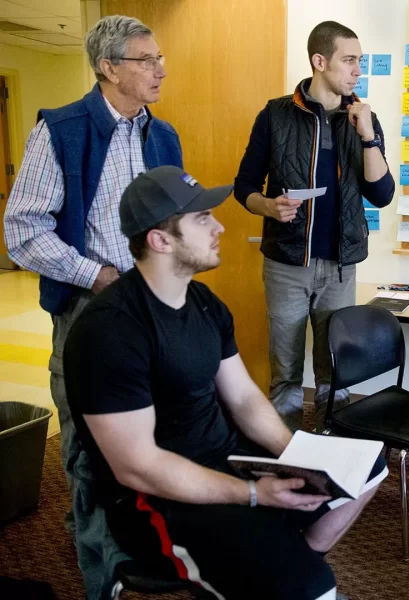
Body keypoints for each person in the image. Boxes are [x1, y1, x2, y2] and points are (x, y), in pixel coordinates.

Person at [64, 166, 386, 600]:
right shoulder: (110, 331)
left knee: (366, 467)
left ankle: (285, 571)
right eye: (201, 220)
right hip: (159, 500)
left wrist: (299, 456)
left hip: (227, 459)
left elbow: (245, 399)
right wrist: (253, 494)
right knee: (312, 585)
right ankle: (295, 580)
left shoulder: (203, 302)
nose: (218, 227)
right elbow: (137, 466)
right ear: (160, 240)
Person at [2, 15, 181, 598]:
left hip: (153, 308)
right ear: (108, 68)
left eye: (159, 58)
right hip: (88, 312)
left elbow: (174, 213)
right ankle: (102, 578)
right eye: (145, 59)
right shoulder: (61, 131)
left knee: (150, 432)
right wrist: (98, 275)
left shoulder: (164, 135)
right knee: (89, 448)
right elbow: (22, 231)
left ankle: (136, 538)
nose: (159, 69)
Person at [234, 20, 395, 433]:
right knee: (285, 371)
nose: (358, 70)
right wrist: (267, 207)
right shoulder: (275, 115)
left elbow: (382, 195)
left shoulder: (363, 118)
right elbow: (244, 186)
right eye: (349, 60)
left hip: (340, 267)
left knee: (336, 371)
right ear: (319, 61)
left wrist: (368, 137)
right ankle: (283, 452)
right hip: (287, 264)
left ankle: (332, 448)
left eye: (360, 60)